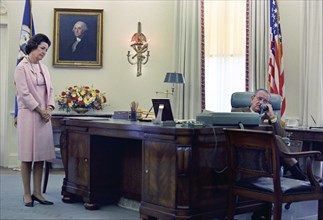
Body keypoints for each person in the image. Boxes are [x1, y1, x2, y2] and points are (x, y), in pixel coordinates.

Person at [14, 33, 56, 207]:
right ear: (33, 46)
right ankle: (26, 194)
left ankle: (38, 193)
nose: (44, 52)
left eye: (46, 50)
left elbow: (51, 90)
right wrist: (40, 110)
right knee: (27, 157)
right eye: (42, 48)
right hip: (29, 115)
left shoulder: (44, 68)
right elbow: (24, 94)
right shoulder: (21, 68)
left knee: (40, 156)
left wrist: (49, 109)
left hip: (44, 117)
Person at [232, 88, 307, 180]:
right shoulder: (239, 112)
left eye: (265, 101)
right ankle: (297, 172)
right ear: (252, 99)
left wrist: (272, 116)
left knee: (277, 138)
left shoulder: (268, 117)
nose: (261, 102)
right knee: (276, 139)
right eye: (259, 99)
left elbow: (283, 136)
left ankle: (297, 173)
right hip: (247, 148)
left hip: (267, 152)